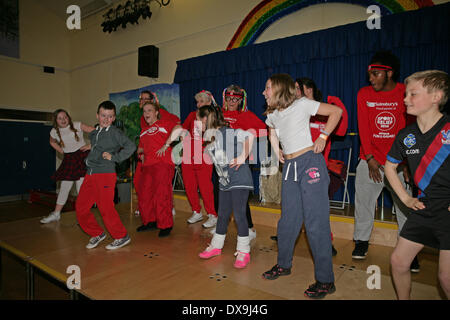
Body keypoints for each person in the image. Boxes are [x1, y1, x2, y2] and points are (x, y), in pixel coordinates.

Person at [261, 73, 342, 299]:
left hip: (310, 163)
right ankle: (283, 265)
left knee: (315, 224)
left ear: (279, 89)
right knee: (288, 221)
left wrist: (324, 137)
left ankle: (326, 280)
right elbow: (271, 129)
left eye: (267, 88)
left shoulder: (303, 104)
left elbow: (337, 112)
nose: (264, 92)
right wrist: (277, 150)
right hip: (290, 167)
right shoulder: (274, 114)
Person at [384, 70, 449, 299]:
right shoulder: (405, 135)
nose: (405, 99)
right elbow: (389, 167)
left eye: (413, 94)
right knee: (399, 262)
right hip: (423, 208)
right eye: (405, 94)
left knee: (446, 277)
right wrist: (405, 198)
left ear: (436, 97)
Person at [352, 51, 419, 271]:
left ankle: (409, 249)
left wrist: (408, 163)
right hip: (369, 159)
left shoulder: (404, 93)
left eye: (376, 74)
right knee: (363, 203)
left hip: (399, 163)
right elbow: (363, 126)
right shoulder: (364, 94)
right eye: (370, 74)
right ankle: (361, 242)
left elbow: (411, 129)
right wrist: (370, 157)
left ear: (389, 73)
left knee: (405, 206)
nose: (371, 79)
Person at [295, 77, 349, 256]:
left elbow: (341, 131)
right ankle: (287, 235)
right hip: (297, 167)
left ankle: (327, 242)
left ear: (308, 89)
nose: (293, 92)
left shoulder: (325, 110)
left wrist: (337, 103)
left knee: (319, 211)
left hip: (317, 170)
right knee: (293, 206)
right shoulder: (296, 110)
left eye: (297, 88)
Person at [198, 105, 255, 269]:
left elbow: (250, 135)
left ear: (206, 119)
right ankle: (216, 246)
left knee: (239, 215)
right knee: (222, 215)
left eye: (199, 120)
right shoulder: (211, 140)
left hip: (240, 180)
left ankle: (244, 251)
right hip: (225, 182)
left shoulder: (228, 132)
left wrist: (242, 156)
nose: (197, 124)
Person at [75, 101, 136, 250]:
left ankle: (121, 236)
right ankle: (97, 233)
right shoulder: (95, 133)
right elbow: (99, 144)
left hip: (105, 174)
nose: (106, 119)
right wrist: (89, 147)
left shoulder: (115, 132)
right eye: (103, 115)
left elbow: (131, 146)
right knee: (80, 207)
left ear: (114, 118)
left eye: (110, 116)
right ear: (97, 116)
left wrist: (114, 157)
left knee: (105, 208)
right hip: (90, 174)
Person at [213, 84, 267, 241]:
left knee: (240, 198)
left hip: (239, 162)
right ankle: (220, 228)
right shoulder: (219, 114)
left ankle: (249, 229)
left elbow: (263, 130)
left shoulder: (247, 116)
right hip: (221, 161)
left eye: (235, 99)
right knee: (220, 196)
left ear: (240, 101)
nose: (231, 102)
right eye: (229, 98)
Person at [41, 109, 95, 224]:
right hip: (69, 160)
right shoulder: (54, 131)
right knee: (64, 188)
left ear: (68, 117)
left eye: (65, 117)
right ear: (56, 121)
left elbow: (95, 132)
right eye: (60, 118)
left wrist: (91, 145)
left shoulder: (77, 125)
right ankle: (56, 214)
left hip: (81, 158)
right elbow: (52, 142)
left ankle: (83, 216)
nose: (63, 120)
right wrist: (62, 151)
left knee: (81, 189)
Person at [133, 90, 180, 216]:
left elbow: (177, 124)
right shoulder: (143, 118)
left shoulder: (160, 113)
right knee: (139, 182)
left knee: (162, 187)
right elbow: (145, 140)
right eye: (141, 99)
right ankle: (147, 209)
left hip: (161, 159)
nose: (143, 101)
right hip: (147, 158)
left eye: (146, 99)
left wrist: (166, 143)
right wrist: (141, 152)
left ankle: (169, 207)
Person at [180, 90, 218, 228]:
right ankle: (196, 211)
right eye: (197, 102)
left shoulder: (213, 116)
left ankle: (212, 214)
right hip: (189, 155)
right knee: (189, 185)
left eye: (201, 101)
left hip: (204, 155)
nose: (198, 104)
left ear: (209, 102)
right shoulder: (192, 115)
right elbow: (183, 129)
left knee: (205, 187)